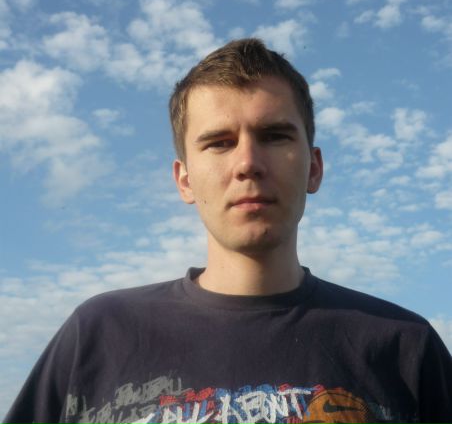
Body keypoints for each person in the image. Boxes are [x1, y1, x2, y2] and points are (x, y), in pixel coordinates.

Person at [4, 38, 452, 424]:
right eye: (219, 143)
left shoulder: (404, 347)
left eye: (274, 136)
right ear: (184, 179)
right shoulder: (98, 335)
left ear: (314, 168)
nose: (247, 164)